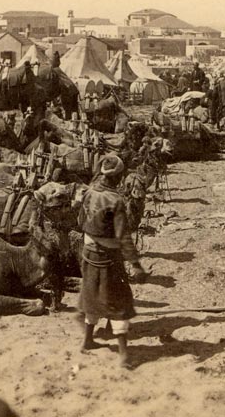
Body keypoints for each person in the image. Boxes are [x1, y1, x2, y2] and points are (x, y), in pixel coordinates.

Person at [78, 155, 148, 367]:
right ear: (117, 176)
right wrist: (136, 265)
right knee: (119, 301)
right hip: (108, 257)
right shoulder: (115, 200)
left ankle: (88, 340)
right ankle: (124, 355)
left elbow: (80, 220)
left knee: (91, 295)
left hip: (88, 251)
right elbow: (123, 236)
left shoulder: (88, 191)